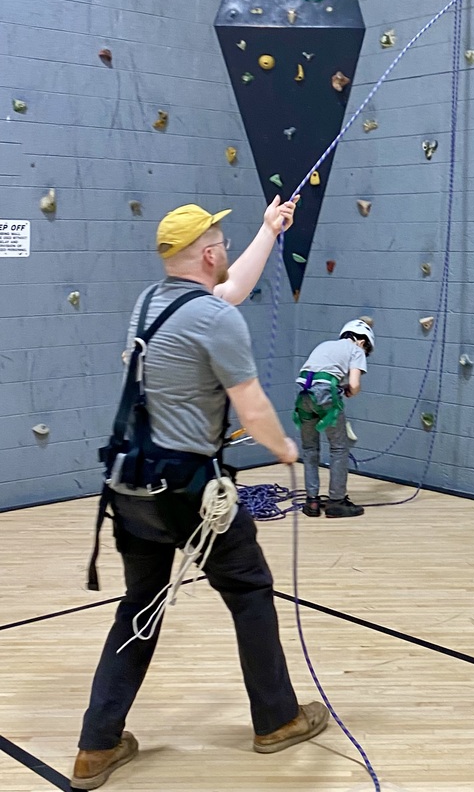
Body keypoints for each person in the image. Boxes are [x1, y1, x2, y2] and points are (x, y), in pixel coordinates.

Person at [70, 201, 327, 791]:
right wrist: (285, 449)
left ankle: (96, 745)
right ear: (209, 254)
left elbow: (228, 292)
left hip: (129, 486)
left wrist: (269, 232)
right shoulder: (213, 319)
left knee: (140, 607)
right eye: (224, 243)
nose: (227, 250)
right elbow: (252, 407)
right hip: (187, 493)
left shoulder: (151, 303)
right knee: (250, 590)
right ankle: (278, 720)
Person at [294, 319, 374, 519]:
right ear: (362, 342)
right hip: (325, 394)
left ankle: (312, 502)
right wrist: (350, 390)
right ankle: (337, 502)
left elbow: (319, 372)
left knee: (310, 449)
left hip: (303, 394)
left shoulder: (325, 345)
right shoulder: (356, 350)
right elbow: (354, 385)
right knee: (339, 448)